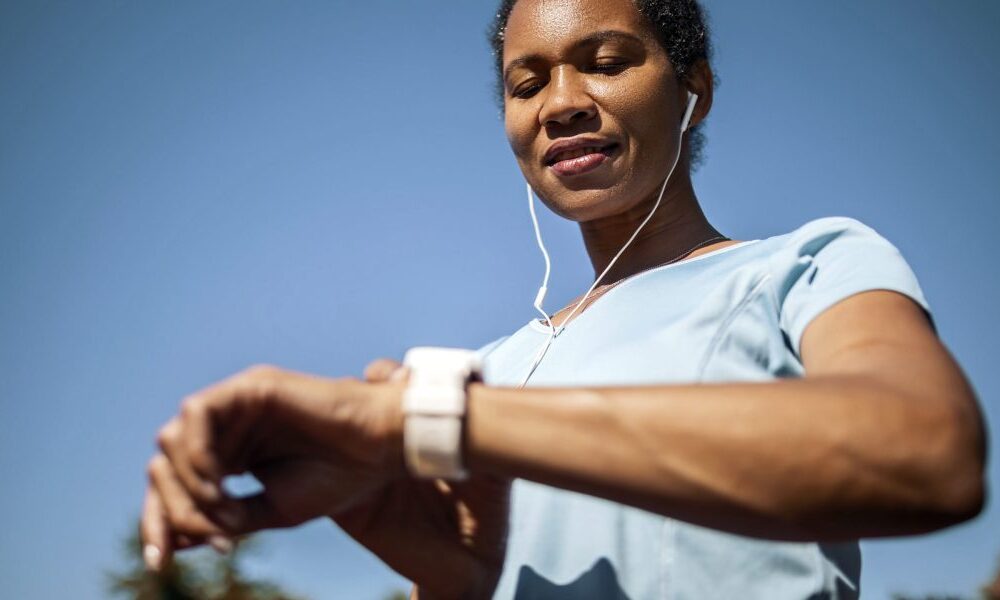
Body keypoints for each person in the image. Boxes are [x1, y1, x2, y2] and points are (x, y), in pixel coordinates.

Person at [140, 0, 987, 598]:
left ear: (695, 88)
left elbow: (928, 453)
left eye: (607, 63)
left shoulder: (807, 266)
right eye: (526, 82)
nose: (563, 106)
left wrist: (435, 423)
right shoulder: (488, 371)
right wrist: (453, 580)